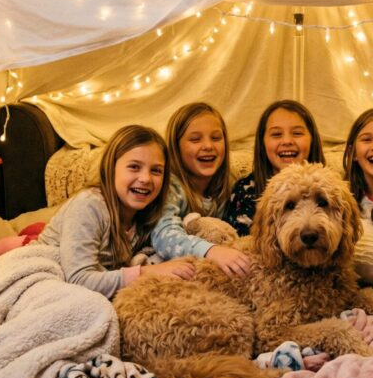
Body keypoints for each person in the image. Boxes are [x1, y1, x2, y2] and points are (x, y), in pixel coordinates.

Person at [34, 124, 194, 298]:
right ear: (111, 168)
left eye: (156, 171)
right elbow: (78, 279)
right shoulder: (89, 205)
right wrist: (147, 272)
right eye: (134, 167)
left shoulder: (148, 213)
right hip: (45, 272)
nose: (146, 178)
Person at [151, 102, 250, 276]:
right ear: (176, 147)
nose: (208, 146)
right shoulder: (170, 187)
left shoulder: (230, 183)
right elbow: (164, 235)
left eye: (216, 138)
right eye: (195, 139)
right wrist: (212, 251)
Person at [224, 99, 325, 236]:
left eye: (297, 133)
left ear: (312, 139)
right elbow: (238, 244)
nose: (287, 141)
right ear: (263, 143)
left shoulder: (330, 187)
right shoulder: (245, 191)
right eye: (276, 134)